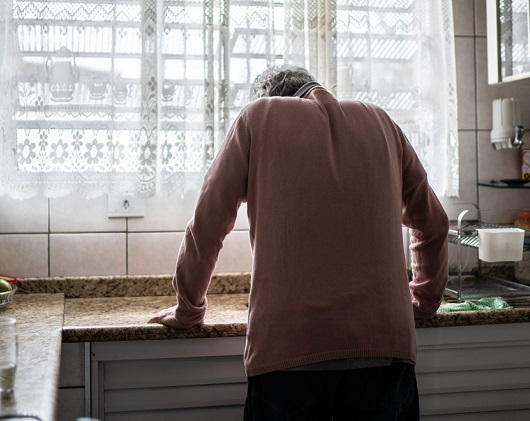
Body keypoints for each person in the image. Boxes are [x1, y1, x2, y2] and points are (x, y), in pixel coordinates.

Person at [149, 66, 449, 420]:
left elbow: (208, 223)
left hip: (288, 358)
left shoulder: (258, 117)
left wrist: (188, 307)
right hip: (384, 353)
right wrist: (424, 302)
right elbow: (434, 224)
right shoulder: (382, 123)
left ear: (271, 97)